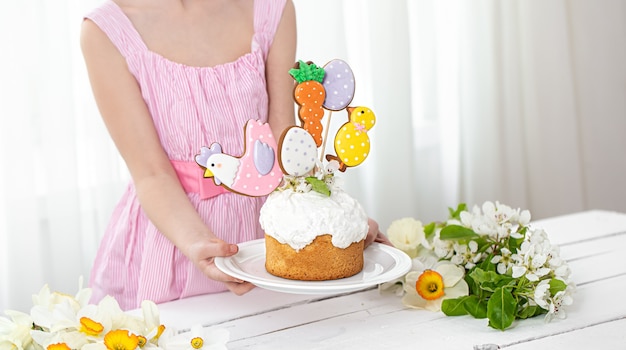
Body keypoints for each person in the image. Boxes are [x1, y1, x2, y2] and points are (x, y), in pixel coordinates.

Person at [81, 0, 389, 311]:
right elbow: (150, 172)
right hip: (173, 238)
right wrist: (197, 243)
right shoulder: (106, 32)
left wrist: (336, 223)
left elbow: (287, 147)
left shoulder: (271, 9)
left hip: (266, 229)